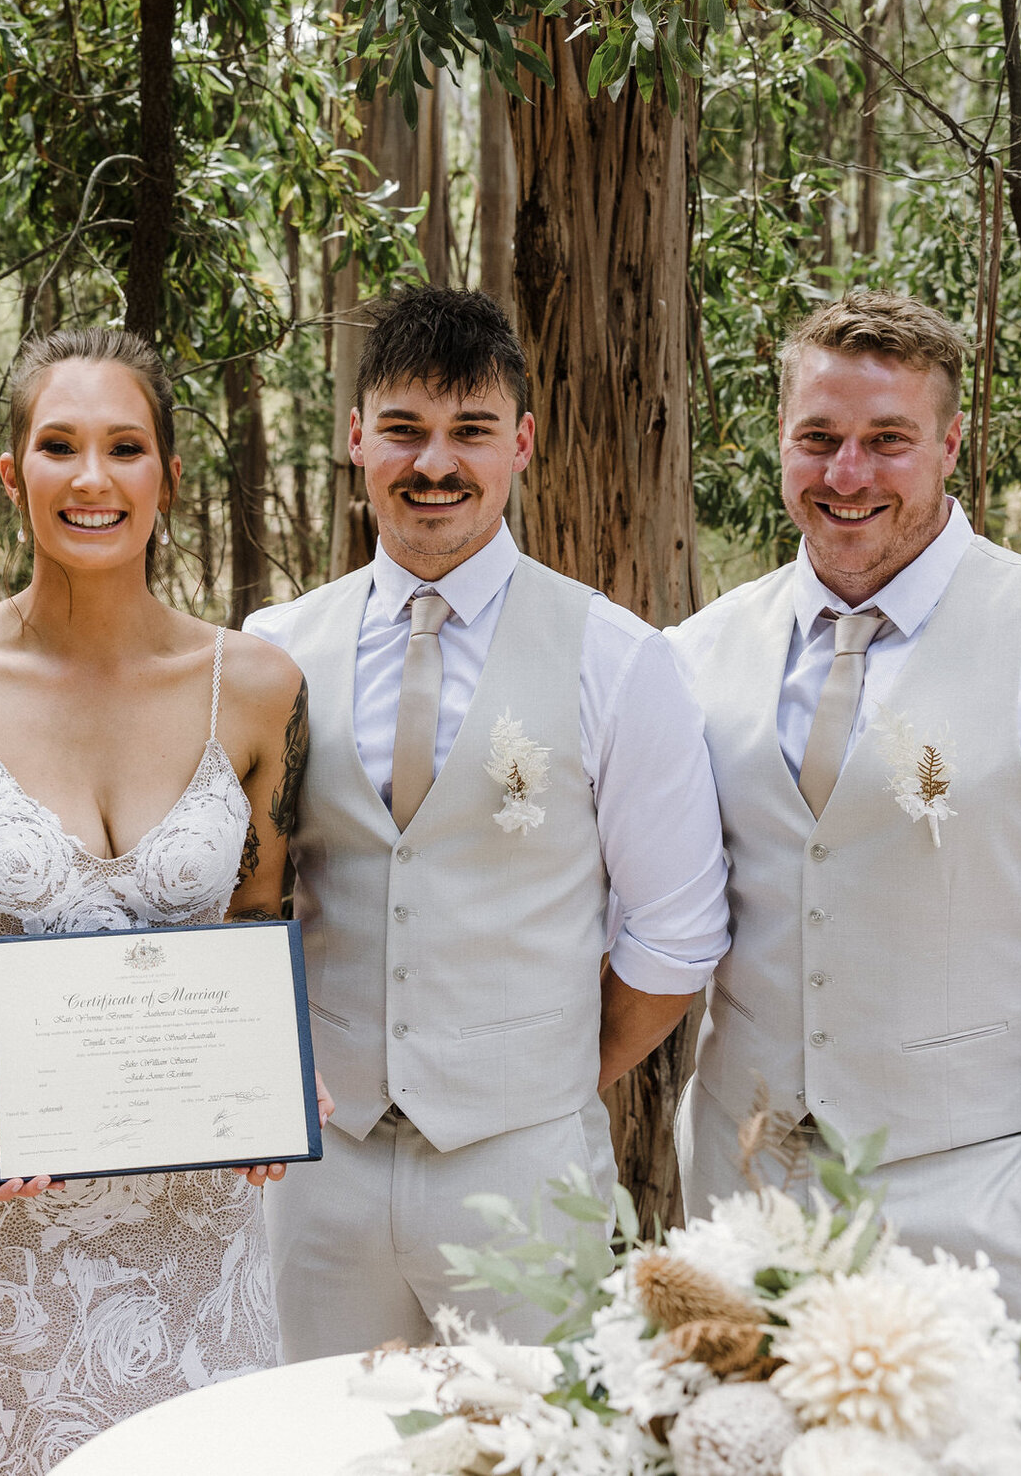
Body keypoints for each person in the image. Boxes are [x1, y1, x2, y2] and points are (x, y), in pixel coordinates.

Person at [670, 290, 1021, 1433]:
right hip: (749, 1205)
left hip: (992, 1206)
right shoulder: (689, 654)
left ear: (949, 444)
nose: (847, 474)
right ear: (779, 440)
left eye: (887, 440)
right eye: (819, 438)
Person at [0, 329, 316, 1476]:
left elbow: (260, 916)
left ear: (166, 474)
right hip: (7, 1212)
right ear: (12, 474)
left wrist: (271, 1058)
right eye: (58, 446)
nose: (92, 478)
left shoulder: (259, 688)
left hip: (199, 1222)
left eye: (125, 446)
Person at [245, 286, 732, 1359]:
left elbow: (676, 930)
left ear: (519, 442)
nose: (435, 464)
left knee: (539, 1443)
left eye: (469, 431)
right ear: (357, 437)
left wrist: (546, 1072)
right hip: (317, 1168)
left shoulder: (616, 654)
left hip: (526, 1166)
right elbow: (247, 897)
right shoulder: (271, 649)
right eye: (406, 429)